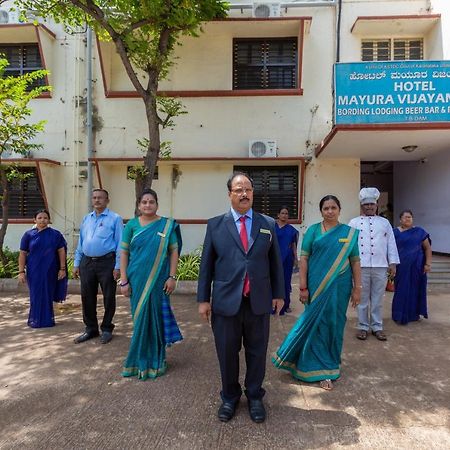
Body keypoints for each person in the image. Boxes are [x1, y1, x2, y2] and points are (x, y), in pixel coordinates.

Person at [197, 172, 284, 424]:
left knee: (257, 352)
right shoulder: (215, 225)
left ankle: (255, 396)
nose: (244, 193)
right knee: (227, 352)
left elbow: (275, 262)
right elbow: (206, 265)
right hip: (225, 302)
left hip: (258, 300)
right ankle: (230, 397)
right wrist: (204, 299)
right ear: (229, 194)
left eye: (248, 189)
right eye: (238, 189)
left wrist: (279, 294)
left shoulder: (267, 223)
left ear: (253, 193)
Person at [273, 195, 361, 391]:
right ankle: (313, 366)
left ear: (339, 209)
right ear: (321, 211)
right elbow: (304, 259)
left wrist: (357, 288)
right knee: (315, 322)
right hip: (316, 285)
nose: (330, 211)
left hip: (341, 286)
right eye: (326, 208)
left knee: (334, 323)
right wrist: (302, 287)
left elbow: (355, 261)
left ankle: (328, 367)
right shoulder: (312, 230)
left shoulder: (349, 233)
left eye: (333, 207)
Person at [120, 188, 182, 380]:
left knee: (155, 319)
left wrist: (172, 277)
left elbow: (173, 252)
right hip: (136, 279)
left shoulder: (166, 225)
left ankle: (156, 360)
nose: (148, 205)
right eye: (144, 202)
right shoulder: (131, 225)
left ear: (157, 204)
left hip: (159, 280)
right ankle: (138, 361)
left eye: (151, 202)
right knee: (139, 320)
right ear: (139, 205)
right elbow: (124, 253)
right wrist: (123, 281)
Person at [349, 187, 399, 342]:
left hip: (381, 266)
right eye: (366, 204)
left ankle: (377, 327)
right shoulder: (354, 222)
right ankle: (363, 326)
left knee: (378, 298)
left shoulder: (384, 223)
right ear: (361, 206)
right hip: (360, 266)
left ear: (376, 205)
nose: (369, 207)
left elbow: (391, 243)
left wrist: (393, 263)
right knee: (362, 298)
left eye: (372, 204)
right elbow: (350, 245)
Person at [73, 189, 123, 344]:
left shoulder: (115, 218)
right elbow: (81, 243)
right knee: (87, 296)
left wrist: (118, 266)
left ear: (107, 200)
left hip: (106, 262)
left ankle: (107, 328)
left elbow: (120, 243)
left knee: (108, 297)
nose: (97, 200)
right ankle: (91, 329)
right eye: (94, 197)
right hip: (87, 262)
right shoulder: (86, 219)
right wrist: (76, 263)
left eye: (100, 198)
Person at [18, 209, 67, 328]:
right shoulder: (28, 235)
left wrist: (62, 268)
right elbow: (23, 253)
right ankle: (35, 320)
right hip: (34, 270)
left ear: (49, 220)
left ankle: (47, 320)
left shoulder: (56, 234)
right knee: (35, 294)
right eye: (39, 218)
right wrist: (21, 272)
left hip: (50, 269)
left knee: (47, 293)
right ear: (35, 220)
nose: (42, 220)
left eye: (45, 218)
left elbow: (61, 251)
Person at [392, 210, 432, 325]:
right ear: (400, 219)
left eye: (410, 217)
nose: (407, 219)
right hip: (400, 267)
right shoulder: (394, 232)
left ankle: (414, 314)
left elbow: (427, 248)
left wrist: (428, 264)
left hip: (417, 267)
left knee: (415, 290)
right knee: (401, 290)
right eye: (405, 217)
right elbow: (390, 249)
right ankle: (399, 314)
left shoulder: (419, 232)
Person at [275, 206, 299, 315]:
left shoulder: (292, 230)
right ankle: (273, 304)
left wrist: (296, 259)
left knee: (285, 280)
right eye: (282, 213)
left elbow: (293, 245)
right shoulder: (272, 227)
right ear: (278, 215)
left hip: (287, 258)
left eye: (286, 213)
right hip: (273, 258)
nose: (284, 215)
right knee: (273, 280)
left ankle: (285, 305)